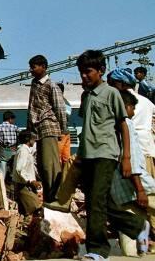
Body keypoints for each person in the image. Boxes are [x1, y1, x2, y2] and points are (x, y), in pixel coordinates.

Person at [76, 49, 141, 261]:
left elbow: (123, 126)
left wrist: (127, 158)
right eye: (81, 72)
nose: (84, 76)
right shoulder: (85, 96)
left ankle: (97, 250)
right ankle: (138, 226)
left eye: (89, 72)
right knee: (99, 201)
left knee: (96, 202)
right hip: (87, 155)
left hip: (106, 153)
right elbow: (85, 127)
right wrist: (78, 157)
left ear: (101, 71)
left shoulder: (112, 93)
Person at [110, 90, 155, 256]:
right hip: (138, 184)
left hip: (119, 189)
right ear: (125, 107)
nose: (134, 112)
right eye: (132, 108)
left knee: (130, 226)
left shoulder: (109, 125)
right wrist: (140, 189)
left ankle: (134, 253)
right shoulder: (127, 124)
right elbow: (132, 160)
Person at [26, 54, 67, 203]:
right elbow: (31, 108)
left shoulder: (51, 85)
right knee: (43, 165)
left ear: (43, 67)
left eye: (34, 66)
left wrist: (63, 129)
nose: (31, 70)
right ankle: (49, 195)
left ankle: (55, 197)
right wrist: (30, 129)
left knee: (50, 165)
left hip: (49, 127)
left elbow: (59, 108)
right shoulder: (34, 84)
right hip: (38, 129)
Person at [12, 130, 42, 215]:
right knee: (35, 208)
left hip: (26, 184)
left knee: (31, 207)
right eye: (33, 139)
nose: (35, 141)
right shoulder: (23, 151)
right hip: (23, 185)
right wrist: (31, 181)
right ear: (28, 139)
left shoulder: (26, 150)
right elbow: (19, 169)